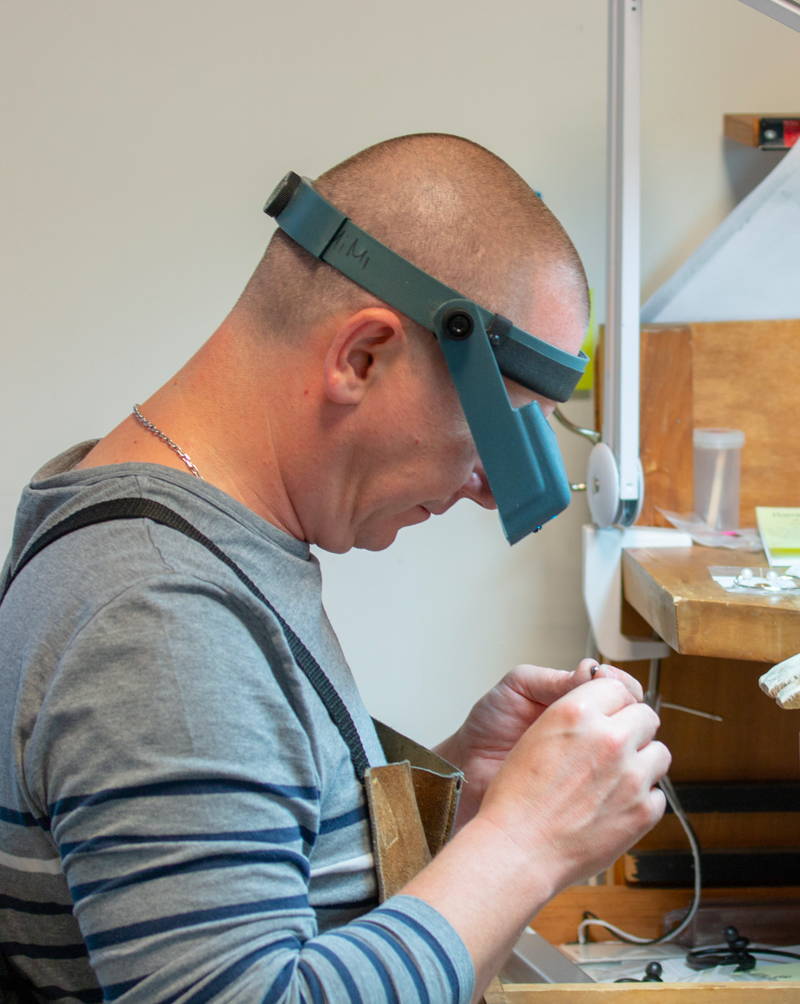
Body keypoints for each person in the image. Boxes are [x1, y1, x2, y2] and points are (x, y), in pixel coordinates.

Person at [0, 133, 670, 1003]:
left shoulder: (171, 539)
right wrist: (525, 844)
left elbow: (256, 884)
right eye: (501, 428)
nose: (485, 488)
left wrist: (464, 798)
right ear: (362, 357)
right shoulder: (161, 613)